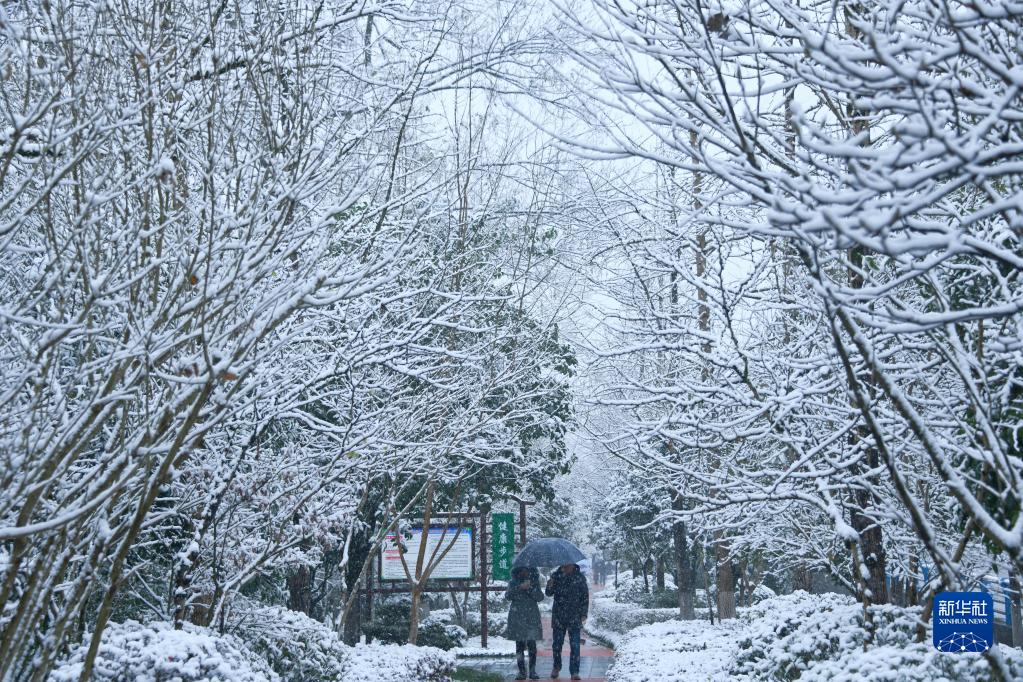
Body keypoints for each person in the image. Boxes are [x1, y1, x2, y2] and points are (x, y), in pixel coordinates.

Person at [545, 563, 588, 680]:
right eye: (564, 564)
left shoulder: (579, 578)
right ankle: (556, 666)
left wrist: (584, 613)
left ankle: (574, 671)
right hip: (559, 615)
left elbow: (585, 596)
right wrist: (549, 585)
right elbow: (548, 593)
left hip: (574, 616)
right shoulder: (556, 576)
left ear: (573, 565)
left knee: (575, 645)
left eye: (568, 565)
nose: (566, 567)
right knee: (557, 645)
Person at [505, 566, 544, 680]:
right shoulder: (513, 582)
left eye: (527, 570)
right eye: (522, 570)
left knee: (532, 645)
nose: (524, 572)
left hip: (532, 617)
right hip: (517, 617)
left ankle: (532, 671)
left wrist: (530, 588)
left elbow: (540, 597)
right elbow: (508, 596)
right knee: (520, 645)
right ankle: (522, 672)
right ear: (518, 571)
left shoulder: (534, 582)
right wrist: (519, 587)